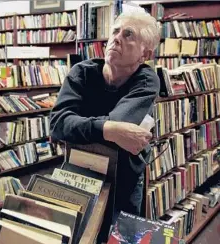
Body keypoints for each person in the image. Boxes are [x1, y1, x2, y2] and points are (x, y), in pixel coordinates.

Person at [49, 10, 161, 228]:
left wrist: (80, 125)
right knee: (76, 236)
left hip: (125, 177)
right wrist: (109, 128)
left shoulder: (147, 80)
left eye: (129, 34)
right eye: (115, 31)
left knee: (122, 241)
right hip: (79, 171)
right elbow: (57, 125)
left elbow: (118, 121)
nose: (116, 38)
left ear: (144, 55)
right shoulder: (81, 72)